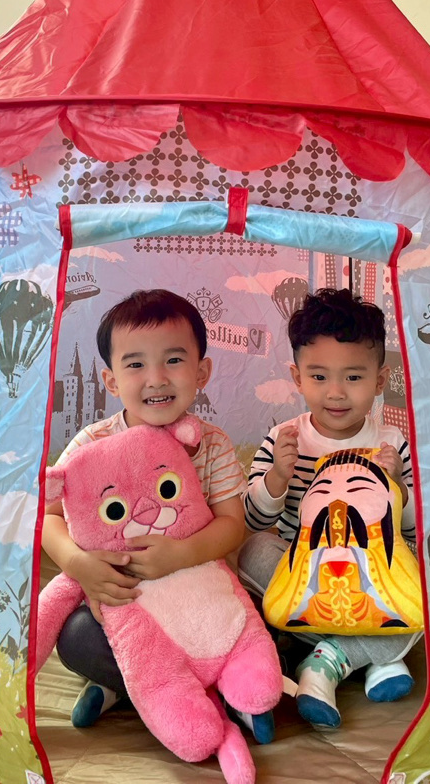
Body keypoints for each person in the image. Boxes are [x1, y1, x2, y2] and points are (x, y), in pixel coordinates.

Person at [41, 289, 269, 736]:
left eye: (174, 360)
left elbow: (232, 525)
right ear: (111, 381)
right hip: (125, 606)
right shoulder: (91, 445)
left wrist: (181, 555)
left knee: (257, 617)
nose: (156, 379)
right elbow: (48, 517)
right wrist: (78, 563)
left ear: (201, 372)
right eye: (135, 365)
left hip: (196, 598)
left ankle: (213, 683)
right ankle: (128, 684)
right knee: (75, 637)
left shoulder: (212, 443)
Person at [239, 287, 421, 729]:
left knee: (429, 585)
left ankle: (327, 659)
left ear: (380, 380)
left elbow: (414, 530)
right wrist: (277, 478)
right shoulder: (285, 437)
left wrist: (398, 486)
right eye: (319, 377)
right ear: (297, 377)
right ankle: (376, 654)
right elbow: (253, 520)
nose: (336, 393)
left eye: (353, 377)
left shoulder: (392, 443)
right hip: (304, 573)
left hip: (374, 573)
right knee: (252, 552)